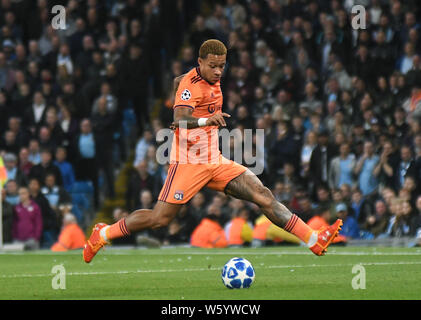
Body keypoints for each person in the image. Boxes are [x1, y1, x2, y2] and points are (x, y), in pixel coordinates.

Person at [83, 39, 343, 263]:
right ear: (200, 61)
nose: (219, 71)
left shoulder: (200, 78)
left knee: (263, 195)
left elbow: (177, 81)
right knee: (159, 218)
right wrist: (207, 120)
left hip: (214, 160)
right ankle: (103, 234)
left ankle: (312, 239)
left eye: (222, 65)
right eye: (213, 66)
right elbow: (180, 118)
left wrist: (182, 89)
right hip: (187, 162)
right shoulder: (191, 85)